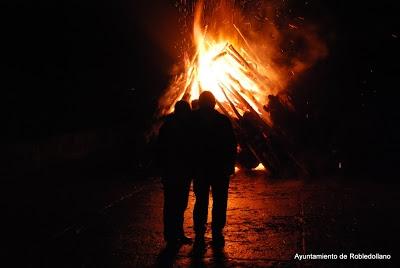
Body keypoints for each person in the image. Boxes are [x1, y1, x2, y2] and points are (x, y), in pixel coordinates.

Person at [191, 91, 237, 248]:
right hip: (217, 168)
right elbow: (231, 145)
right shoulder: (222, 120)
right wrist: (230, 165)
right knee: (218, 200)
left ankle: (200, 231)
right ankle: (216, 231)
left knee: (202, 200)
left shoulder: (194, 120)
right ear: (214, 103)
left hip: (203, 167)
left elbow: (187, 145)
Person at [157, 100, 193, 247]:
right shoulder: (171, 127)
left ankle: (177, 233)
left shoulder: (180, 125)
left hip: (181, 172)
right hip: (173, 171)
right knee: (172, 204)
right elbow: (163, 150)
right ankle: (171, 235)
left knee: (179, 204)